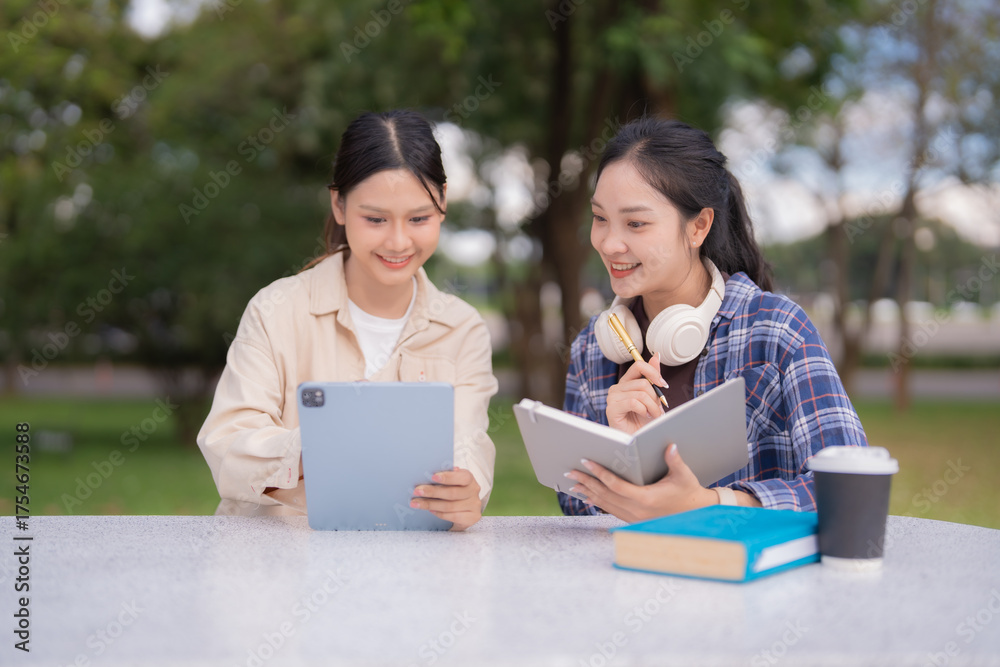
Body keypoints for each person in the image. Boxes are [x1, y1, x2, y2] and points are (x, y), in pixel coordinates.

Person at [197, 110, 497, 530]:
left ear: (443, 201)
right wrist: (317, 446)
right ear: (338, 204)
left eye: (419, 219)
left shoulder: (462, 328)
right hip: (281, 568)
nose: (398, 241)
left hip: (412, 570)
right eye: (375, 219)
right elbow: (227, 444)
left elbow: (468, 445)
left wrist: (468, 491)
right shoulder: (276, 310)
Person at [560, 117, 868, 521]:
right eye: (600, 218)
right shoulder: (592, 348)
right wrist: (622, 464)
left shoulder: (775, 331)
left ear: (699, 226)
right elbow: (572, 504)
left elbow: (853, 487)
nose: (609, 243)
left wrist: (710, 503)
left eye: (635, 223)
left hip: (753, 581)